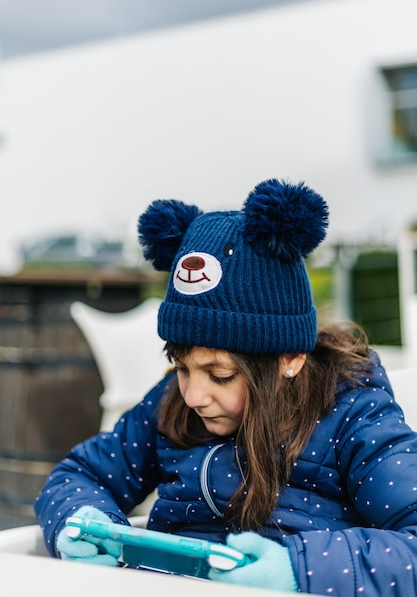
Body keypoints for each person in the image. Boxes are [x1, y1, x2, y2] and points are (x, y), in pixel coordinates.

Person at [34, 178, 417, 595]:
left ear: (289, 358)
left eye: (220, 376)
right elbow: (81, 473)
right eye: (181, 368)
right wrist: (84, 518)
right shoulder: (168, 405)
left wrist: (298, 569)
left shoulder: (353, 414)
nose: (193, 397)